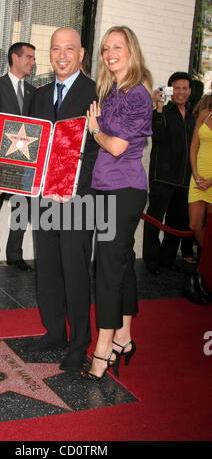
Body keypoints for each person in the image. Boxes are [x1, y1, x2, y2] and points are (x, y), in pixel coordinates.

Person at [24, 27, 99, 372]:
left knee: (75, 273)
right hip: (42, 198)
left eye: (69, 49)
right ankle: (55, 331)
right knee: (49, 269)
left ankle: (79, 343)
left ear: (81, 54)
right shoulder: (38, 95)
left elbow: (100, 152)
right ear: (49, 53)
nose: (62, 55)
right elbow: (27, 144)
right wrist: (4, 176)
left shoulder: (96, 93)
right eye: (56, 49)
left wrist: (72, 189)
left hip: (77, 202)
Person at [81, 25, 153, 381]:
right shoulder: (111, 92)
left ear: (131, 50)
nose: (110, 53)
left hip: (123, 190)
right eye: (106, 48)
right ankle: (124, 337)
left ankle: (103, 349)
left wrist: (95, 129)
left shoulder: (136, 94)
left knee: (106, 270)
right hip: (107, 187)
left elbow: (116, 146)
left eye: (117, 47)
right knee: (120, 264)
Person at [0, 42, 36, 275]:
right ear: (15, 57)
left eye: (33, 58)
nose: (33, 62)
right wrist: (15, 145)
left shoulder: (34, 92)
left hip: (27, 162)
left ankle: (15, 255)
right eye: (29, 57)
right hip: (1, 160)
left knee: (21, 208)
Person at [142, 72, 195, 274]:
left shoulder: (192, 116)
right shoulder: (163, 111)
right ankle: (151, 261)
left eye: (185, 88)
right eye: (177, 88)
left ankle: (167, 258)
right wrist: (159, 107)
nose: (181, 92)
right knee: (155, 219)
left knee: (177, 221)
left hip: (184, 179)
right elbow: (156, 134)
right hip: (162, 177)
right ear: (171, 90)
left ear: (189, 91)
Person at [183, 93, 212, 303]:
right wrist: (195, 173)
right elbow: (194, 145)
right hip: (198, 176)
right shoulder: (204, 113)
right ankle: (207, 264)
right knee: (194, 224)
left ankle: (205, 273)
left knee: (210, 228)